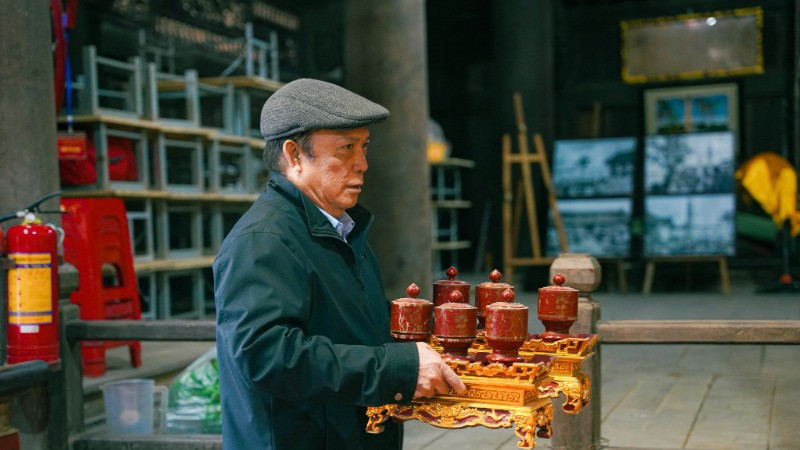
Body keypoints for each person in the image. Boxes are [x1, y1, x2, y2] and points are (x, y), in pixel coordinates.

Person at [214, 78, 467, 449]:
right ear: (295, 155)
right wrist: (397, 368)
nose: (362, 164)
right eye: (346, 148)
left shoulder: (341, 227)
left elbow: (350, 327)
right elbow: (267, 357)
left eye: (364, 147)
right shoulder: (264, 241)